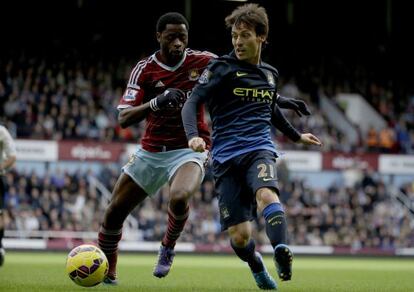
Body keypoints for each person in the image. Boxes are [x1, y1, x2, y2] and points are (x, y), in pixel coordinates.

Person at [98, 11, 310, 285]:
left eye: (182, 38)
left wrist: (281, 100)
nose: (177, 43)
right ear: (158, 37)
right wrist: (157, 102)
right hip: (151, 151)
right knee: (114, 211)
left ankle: (167, 247)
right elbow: (123, 118)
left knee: (179, 196)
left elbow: (243, 77)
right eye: (171, 37)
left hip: (190, 149)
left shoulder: (206, 61)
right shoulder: (144, 69)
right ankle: (107, 272)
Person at [182, 4, 322, 290]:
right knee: (240, 236)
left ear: (261, 37)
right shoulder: (221, 68)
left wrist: (296, 137)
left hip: (259, 149)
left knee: (267, 194)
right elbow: (192, 101)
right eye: (234, 36)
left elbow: (270, 108)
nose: (237, 41)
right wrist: (192, 136)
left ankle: (282, 250)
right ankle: (256, 264)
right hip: (225, 159)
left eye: (244, 35)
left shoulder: (270, 74)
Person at [0, 124, 17, 267]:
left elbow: (12, 157)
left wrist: (1, 167)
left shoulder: (1, 131)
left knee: (0, 217)